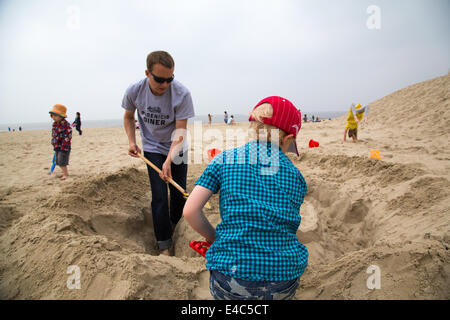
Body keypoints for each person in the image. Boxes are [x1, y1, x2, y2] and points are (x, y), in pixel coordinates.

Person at [183, 96, 308, 300]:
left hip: (231, 276)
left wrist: (215, 239)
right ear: (287, 140)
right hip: (284, 278)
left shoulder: (224, 159)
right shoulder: (297, 177)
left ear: (254, 127)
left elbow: (190, 211)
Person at [122, 50, 195, 256]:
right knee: (159, 195)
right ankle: (163, 244)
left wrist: (169, 160)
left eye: (169, 79)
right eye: (160, 80)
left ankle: (176, 228)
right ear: (148, 73)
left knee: (179, 192)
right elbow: (128, 117)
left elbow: (180, 132)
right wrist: (131, 142)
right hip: (152, 147)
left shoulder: (182, 94)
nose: (165, 84)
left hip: (177, 147)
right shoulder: (135, 91)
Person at [49, 104, 72, 180]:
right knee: (58, 161)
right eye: (52, 116)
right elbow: (54, 135)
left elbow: (67, 137)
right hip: (57, 146)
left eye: (55, 116)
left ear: (61, 116)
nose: (53, 117)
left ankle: (66, 174)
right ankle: (64, 173)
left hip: (63, 147)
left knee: (62, 161)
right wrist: (54, 143)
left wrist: (63, 147)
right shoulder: (55, 124)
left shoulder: (65, 125)